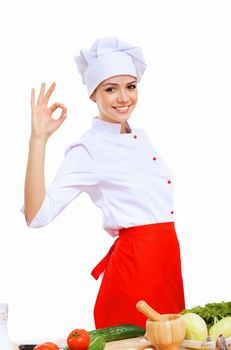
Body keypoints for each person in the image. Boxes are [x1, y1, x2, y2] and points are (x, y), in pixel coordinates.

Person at [22, 37, 185, 328]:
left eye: (130, 86)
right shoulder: (89, 150)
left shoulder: (142, 137)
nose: (124, 97)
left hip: (167, 267)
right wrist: (39, 139)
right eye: (111, 88)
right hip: (135, 274)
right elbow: (36, 216)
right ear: (93, 94)